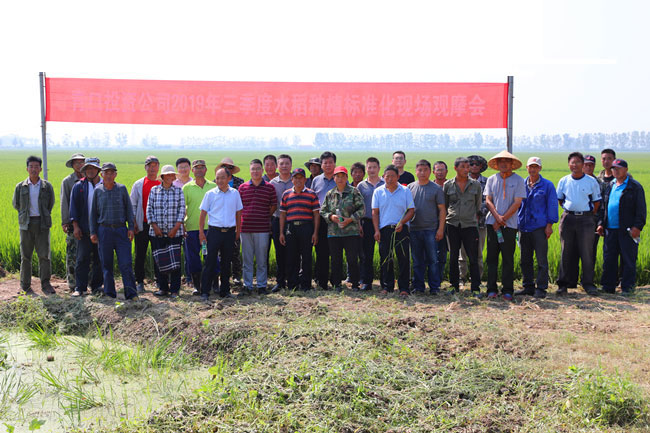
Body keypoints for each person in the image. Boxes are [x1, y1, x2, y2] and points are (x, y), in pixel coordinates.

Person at [90, 163, 138, 300]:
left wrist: (130, 228)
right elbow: (93, 213)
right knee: (106, 264)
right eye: (106, 173)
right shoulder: (98, 191)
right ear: (102, 174)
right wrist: (93, 232)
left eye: (112, 173)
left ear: (115, 174)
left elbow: (129, 210)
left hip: (121, 230)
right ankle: (110, 293)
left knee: (126, 263)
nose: (109, 176)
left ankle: (131, 293)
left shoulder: (122, 189)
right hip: (104, 231)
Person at [556, 152, 602, 296]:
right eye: (572, 162)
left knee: (587, 252)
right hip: (568, 218)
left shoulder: (591, 181)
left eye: (577, 162)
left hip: (586, 220)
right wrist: (570, 209)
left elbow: (596, 203)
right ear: (568, 164)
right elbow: (560, 199)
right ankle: (563, 284)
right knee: (566, 251)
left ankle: (588, 283)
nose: (574, 165)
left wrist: (587, 214)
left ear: (582, 164)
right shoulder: (564, 181)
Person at [598, 159, 646, 295]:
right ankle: (608, 287)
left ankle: (627, 287)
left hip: (628, 230)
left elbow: (641, 209)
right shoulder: (610, 185)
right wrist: (601, 224)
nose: (616, 171)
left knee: (628, 259)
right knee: (609, 259)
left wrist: (637, 227)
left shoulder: (634, 187)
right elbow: (603, 207)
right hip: (610, 229)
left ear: (626, 169)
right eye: (614, 168)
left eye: (619, 168)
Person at [484, 150, 526, 300]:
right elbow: (488, 200)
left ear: (512, 164)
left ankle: (508, 290)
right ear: (497, 164)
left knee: (508, 258)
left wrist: (502, 219)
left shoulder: (519, 180)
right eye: (500, 161)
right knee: (491, 258)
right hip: (492, 224)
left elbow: (517, 202)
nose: (503, 164)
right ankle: (491, 289)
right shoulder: (491, 179)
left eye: (507, 161)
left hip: (510, 225)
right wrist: (497, 218)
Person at [515, 157, 558, 299]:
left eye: (536, 167)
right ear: (527, 168)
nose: (533, 169)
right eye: (531, 167)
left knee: (541, 260)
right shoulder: (521, 184)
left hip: (539, 227)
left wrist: (549, 225)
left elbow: (552, 205)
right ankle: (528, 286)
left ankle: (541, 288)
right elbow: (517, 205)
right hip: (523, 227)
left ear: (540, 168)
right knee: (525, 259)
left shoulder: (547, 185)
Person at [13, 155, 55, 295]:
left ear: (40, 169)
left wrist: (43, 214)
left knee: (44, 256)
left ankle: (45, 284)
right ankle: (25, 285)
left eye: (36, 166)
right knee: (26, 256)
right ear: (27, 168)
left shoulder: (47, 187)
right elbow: (16, 204)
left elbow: (50, 204)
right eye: (31, 166)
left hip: (42, 224)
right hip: (26, 224)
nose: (33, 169)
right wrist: (25, 215)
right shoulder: (20, 187)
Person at [198, 167, 243, 301]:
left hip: (229, 233)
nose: (220, 180)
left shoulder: (235, 193)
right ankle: (205, 291)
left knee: (226, 262)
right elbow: (203, 214)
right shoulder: (210, 194)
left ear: (229, 178)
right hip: (214, 232)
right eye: (217, 178)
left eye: (223, 177)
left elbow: (238, 213)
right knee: (210, 262)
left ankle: (225, 291)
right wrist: (201, 232)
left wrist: (238, 230)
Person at [372, 165, 415, 296]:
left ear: (398, 177)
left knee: (403, 258)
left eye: (393, 176)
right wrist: (376, 230)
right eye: (387, 176)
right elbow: (375, 212)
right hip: (384, 230)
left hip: (401, 229)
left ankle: (404, 288)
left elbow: (411, 210)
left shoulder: (405, 190)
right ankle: (387, 286)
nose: (390, 179)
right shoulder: (378, 191)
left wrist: (402, 222)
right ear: (383, 177)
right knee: (386, 258)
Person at [320, 166, 365, 291]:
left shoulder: (354, 192)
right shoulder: (330, 194)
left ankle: (355, 284)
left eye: (342, 176)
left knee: (352, 259)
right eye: (337, 176)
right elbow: (323, 211)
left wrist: (350, 219)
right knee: (336, 259)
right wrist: (331, 217)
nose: (340, 179)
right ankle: (337, 284)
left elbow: (362, 209)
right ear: (334, 178)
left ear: (346, 177)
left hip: (351, 232)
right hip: (334, 233)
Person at [443, 158, 482, 295]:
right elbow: (445, 205)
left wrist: (472, 218)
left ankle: (475, 288)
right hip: (452, 224)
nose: (466, 169)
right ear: (455, 168)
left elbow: (477, 205)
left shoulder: (475, 185)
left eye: (468, 167)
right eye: (463, 167)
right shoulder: (448, 185)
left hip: (470, 225)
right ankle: (454, 285)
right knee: (453, 256)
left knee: (473, 257)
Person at [238, 159, 277, 295]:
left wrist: (264, 215)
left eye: (258, 169)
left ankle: (261, 286)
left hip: (262, 228)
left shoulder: (269, 187)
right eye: (253, 169)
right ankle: (247, 285)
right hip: (245, 228)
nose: (255, 171)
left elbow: (273, 205)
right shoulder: (242, 188)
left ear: (262, 170)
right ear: (250, 171)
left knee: (261, 259)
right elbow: (239, 208)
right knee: (247, 259)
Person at [147, 165, 186, 298]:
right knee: (160, 260)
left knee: (175, 261)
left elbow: (182, 210)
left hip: (175, 233)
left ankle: (174, 289)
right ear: (162, 177)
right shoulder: (154, 190)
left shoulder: (178, 191)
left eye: (172, 175)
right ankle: (163, 288)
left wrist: (175, 228)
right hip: (156, 233)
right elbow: (149, 209)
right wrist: (155, 227)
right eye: (167, 175)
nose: (170, 177)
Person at [408, 160, 446, 294]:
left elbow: (442, 210)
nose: (422, 173)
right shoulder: (410, 188)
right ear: (416, 171)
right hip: (414, 229)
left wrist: (440, 229)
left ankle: (434, 287)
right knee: (417, 260)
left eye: (425, 170)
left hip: (431, 229)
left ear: (430, 172)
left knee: (433, 260)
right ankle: (418, 286)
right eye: (420, 170)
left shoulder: (436, 188)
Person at [279, 168, 320, 291]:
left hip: (306, 227)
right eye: (295, 178)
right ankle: (292, 283)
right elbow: (282, 215)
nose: (298, 180)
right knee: (292, 256)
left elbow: (316, 215)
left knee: (306, 256)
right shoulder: (286, 194)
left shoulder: (311, 194)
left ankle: (306, 284)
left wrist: (315, 232)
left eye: (300, 177)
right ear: (292, 180)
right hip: (291, 228)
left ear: (305, 179)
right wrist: (281, 232)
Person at [69, 157, 104, 297]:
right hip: (84, 229)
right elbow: (73, 208)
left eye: (93, 168)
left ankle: (97, 287)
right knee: (82, 258)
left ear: (98, 170)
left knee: (99, 258)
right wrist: (75, 226)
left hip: (101, 229)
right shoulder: (79, 186)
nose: (90, 171)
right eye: (88, 168)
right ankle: (80, 287)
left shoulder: (105, 185)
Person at [182, 160, 217, 296]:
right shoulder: (186, 188)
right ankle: (197, 286)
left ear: (206, 170)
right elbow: (182, 208)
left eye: (202, 167)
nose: (199, 170)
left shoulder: (213, 186)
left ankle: (214, 284)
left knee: (211, 257)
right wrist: (182, 225)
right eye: (197, 168)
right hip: (192, 228)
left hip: (211, 228)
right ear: (193, 170)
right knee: (193, 258)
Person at [130, 155, 161, 293]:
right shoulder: (138, 184)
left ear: (158, 167)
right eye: (150, 165)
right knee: (140, 254)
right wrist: (134, 223)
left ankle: (159, 280)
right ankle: (139, 281)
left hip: (158, 226)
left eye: (155, 165)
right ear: (145, 167)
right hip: (142, 224)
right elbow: (132, 204)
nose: (152, 168)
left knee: (158, 253)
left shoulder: (161, 183)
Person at [459, 155, 488, 284]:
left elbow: (488, 201)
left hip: (480, 223)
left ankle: (477, 278)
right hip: (463, 222)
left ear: (482, 166)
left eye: (477, 164)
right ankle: (462, 277)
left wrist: (477, 212)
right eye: (471, 164)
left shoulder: (487, 182)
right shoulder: (461, 181)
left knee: (478, 252)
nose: (474, 166)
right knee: (462, 253)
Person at [356, 157, 384, 291]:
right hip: (366, 222)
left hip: (383, 222)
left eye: (374, 167)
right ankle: (366, 281)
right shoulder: (361, 186)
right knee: (366, 254)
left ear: (379, 169)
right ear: (366, 169)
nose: (372, 170)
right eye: (369, 167)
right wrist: (359, 224)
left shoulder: (385, 183)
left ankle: (385, 282)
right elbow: (357, 206)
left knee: (385, 252)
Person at [311, 151, 338, 289]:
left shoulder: (340, 179)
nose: (328, 165)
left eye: (330, 162)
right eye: (325, 162)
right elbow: (311, 200)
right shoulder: (316, 180)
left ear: (334, 164)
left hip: (336, 220)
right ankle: (322, 282)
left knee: (336, 251)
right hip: (320, 220)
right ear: (321, 165)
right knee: (321, 252)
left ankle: (336, 281)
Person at [216, 157, 245, 285]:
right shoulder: (215, 183)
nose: (228, 169)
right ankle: (223, 277)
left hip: (235, 220)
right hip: (221, 221)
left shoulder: (240, 182)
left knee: (235, 250)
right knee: (221, 253)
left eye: (230, 167)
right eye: (225, 167)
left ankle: (236, 275)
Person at [60, 153, 86, 292]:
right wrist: (65, 221)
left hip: (87, 222)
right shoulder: (68, 181)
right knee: (72, 254)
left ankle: (87, 282)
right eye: (76, 163)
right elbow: (64, 202)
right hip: (72, 223)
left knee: (88, 255)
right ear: (72, 165)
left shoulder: (90, 178)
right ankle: (72, 283)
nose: (79, 165)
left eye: (82, 162)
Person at [269, 154, 293, 291]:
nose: (284, 166)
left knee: (293, 252)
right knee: (279, 252)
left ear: (291, 165)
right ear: (277, 166)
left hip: (293, 221)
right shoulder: (272, 183)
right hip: (277, 220)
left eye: (287, 163)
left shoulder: (296, 180)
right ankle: (280, 281)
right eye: (281, 164)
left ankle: (292, 280)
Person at [433, 161, 449, 283]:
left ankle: (438, 279)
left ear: (447, 171)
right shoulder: (429, 186)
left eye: (442, 169)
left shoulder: (451, 186)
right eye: (438, 170)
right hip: (431, 223)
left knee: (442, 253)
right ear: (433, 172)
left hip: (448, 223)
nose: (440, 172)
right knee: (427, 252)